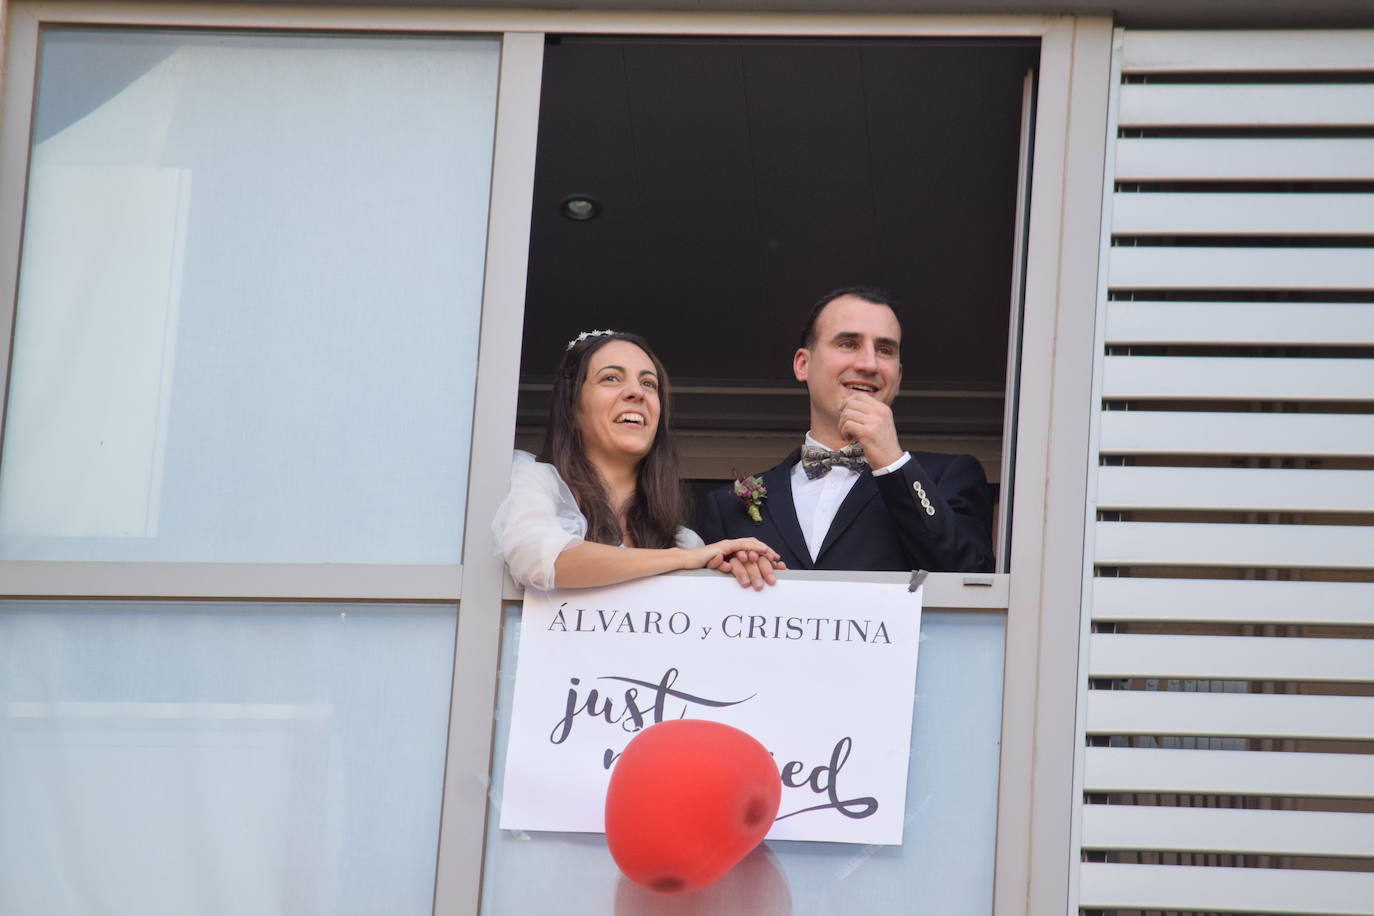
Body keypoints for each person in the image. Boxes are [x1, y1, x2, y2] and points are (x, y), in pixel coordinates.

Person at [698, 287, 995, 573]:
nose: (869, 364)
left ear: (899, 377)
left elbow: (968, 576)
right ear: (803, 364)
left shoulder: (948, 476)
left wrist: (893, 464)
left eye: (885, 349)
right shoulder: (728, 505)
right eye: (848, 344)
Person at [495, 329, 785, 590]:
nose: (636, 392)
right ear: (573, 405)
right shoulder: (534, 481)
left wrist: (733, 578)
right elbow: (541, 560)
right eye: (611, 378)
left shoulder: (685, 542)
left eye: (649, 383)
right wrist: (681, 560)